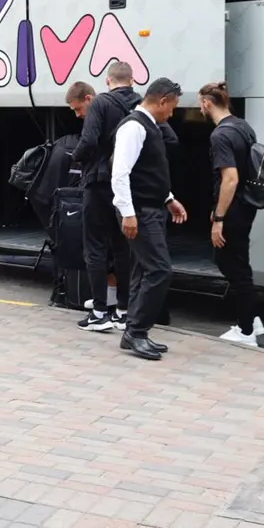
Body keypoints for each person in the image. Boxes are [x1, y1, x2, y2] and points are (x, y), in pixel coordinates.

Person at [71, 63, 179, 333]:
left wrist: (74, 159)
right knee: (123, 248)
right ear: (132, 80)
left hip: (99, 181)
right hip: (129, 190)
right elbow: (170, 139)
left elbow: (89, 141)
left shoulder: (100, 103)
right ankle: (122, 309)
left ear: (107, 81)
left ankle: (99, 312)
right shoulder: (142, 107)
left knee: (95, 246)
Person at [110, 77, 188, 360]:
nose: (172, 114)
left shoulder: (148, 127)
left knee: (144, 270)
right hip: (139, 212)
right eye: (172, 107)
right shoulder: (134, 127)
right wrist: (128, 214)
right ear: (163, 100)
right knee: (159, 270)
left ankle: (135, 331)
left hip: (149, 208)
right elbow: (120, 173)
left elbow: (148, 172)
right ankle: (136, 332)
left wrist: (168, 200)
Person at [199, 81, 264, 345]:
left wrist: (218, 217)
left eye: (200, 104)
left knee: (231, 265)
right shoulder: (243, 126)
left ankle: (246, 330)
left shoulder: (220, 135)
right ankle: (253, 320)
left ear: (206, 103)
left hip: (233, 208)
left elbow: (230, 179)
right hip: (246, 206)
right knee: (239, 262)